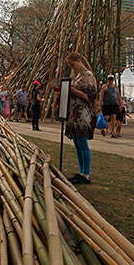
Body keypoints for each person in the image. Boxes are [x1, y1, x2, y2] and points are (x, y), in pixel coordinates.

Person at [61, 53, 98, 184]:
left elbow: (88, 96)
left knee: (82, 143)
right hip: (74, 113)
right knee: (77, 143)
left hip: (82, 113)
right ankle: (81, 171)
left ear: (78, 60)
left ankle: (86, 174)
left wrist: (70, 89)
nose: (73, 67)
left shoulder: (88, 76)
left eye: (73, 64)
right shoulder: (79, 76)